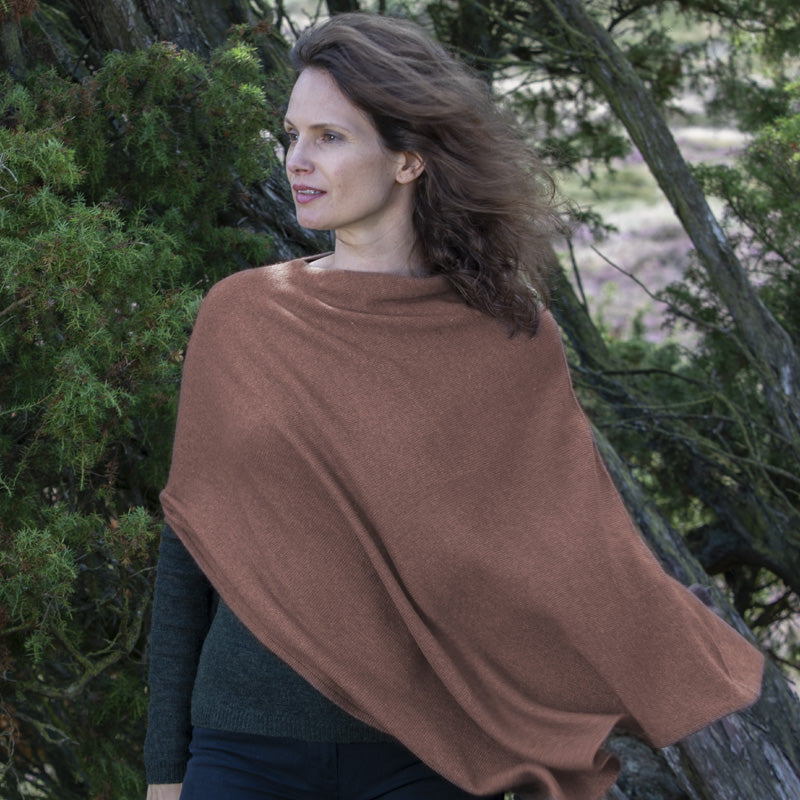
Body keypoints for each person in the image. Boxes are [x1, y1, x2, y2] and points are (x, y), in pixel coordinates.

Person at [144, 12, 764, 800]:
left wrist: (661, 652)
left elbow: (565, 547)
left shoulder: (507, 337)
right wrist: (165, 771)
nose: (296, 160)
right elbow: (190, 544)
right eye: (291, 135)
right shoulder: (243, 318)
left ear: (408, 159)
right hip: (242, 751)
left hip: (428, 761)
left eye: (329, 137)